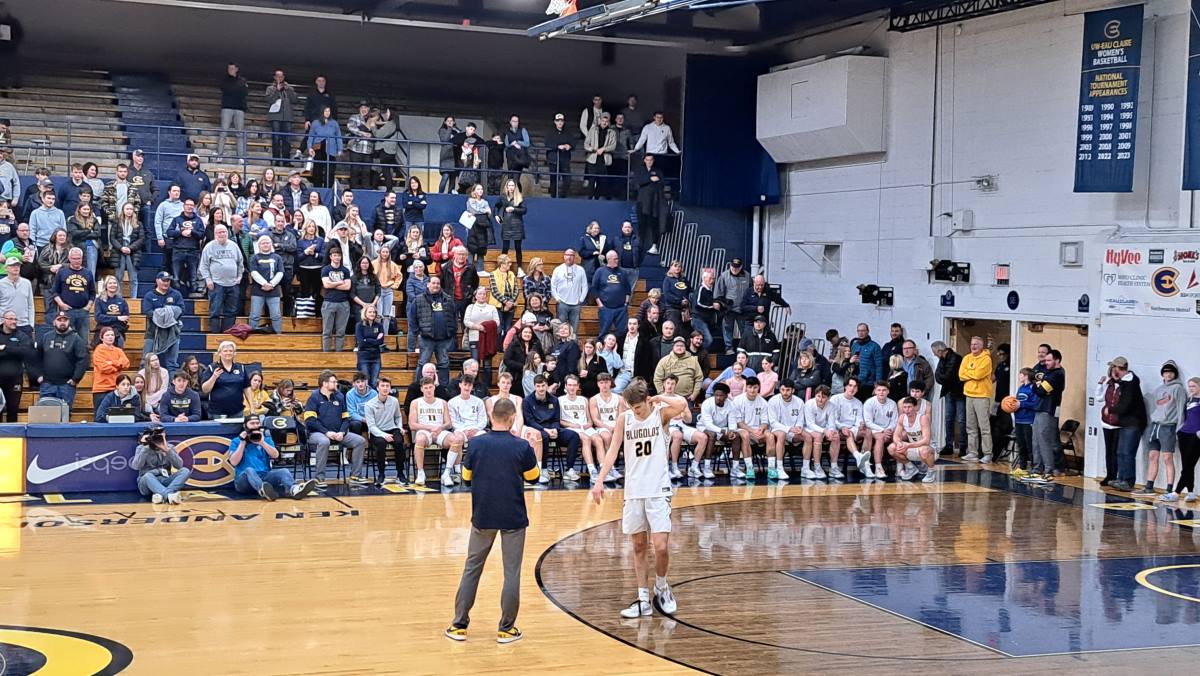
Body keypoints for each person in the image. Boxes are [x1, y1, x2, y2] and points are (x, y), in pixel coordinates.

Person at [589, 378, 687, 618]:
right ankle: (643, 598)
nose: (635, 411)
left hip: (657, 489)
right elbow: (613, 449)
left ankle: (662, 588)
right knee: (638, 545)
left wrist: (660, 398)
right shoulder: (625, 419)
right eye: (631, 407)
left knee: (661, 546)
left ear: (647, 400)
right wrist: (600, 480)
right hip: (633, 490)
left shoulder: (660, 414)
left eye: (639, 407)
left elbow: (682, 404)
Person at [444, 395, 538, 645]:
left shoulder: (475, 444)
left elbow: (465, 477)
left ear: (491, 417)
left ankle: (459, 625)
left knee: (472, 569)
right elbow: (534, 477)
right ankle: (506, 629)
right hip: (513, 517)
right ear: (512, 419)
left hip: (483, 516)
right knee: (511, 573)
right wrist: (530, 449)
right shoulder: (521, 447)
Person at [304, 369, 369, 488]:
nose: (336, 384)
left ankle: (355, 476)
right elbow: (310, 421)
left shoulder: (339, 396)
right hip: (317, 434)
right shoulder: (314, 397)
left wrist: (342, 432)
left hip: (338, 433)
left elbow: (346, 418)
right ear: (324, 384)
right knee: (324, 441)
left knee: (360, 441)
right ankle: (319, 478)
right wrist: (326, 432)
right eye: (333, 382)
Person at [229, 415, 319, 500]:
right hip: (244, 482)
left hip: (264, 477)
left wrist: (262, 443)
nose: (255, 426)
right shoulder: (236, 441)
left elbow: (275, 455)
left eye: (257, 423)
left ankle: (293, 489)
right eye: (252, 423)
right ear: (245, 426)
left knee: (284, 471)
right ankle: (262, 490)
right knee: (249, 469)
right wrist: (242, 443)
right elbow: (233, 462)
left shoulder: (266, 439)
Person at [1137, 361, 1187, 498]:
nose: (1168, 374)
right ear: (1162, 374)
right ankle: (1149, 486)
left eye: (1171, 372)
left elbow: (1181, 410)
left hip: (1168, 427)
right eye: (1165, 372)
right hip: (1155, 426)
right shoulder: (1159, 389)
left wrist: (1179, 430)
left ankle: (1169, 489)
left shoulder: (1178, 389)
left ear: (1175, 373)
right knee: (1153, 456)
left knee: (1167, 457)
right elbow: (1155, 408)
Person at [524, 374, 583, 481]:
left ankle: (569, 469)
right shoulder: (527, 401)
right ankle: (544, 469)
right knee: (544, 436)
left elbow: (556, 419)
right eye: (538, 386)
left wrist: (555, 429)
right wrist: (545, 430)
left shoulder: (554, 400)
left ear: (547, 386)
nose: (541, 388)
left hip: (553, 429)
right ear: (534, 387)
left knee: (574, 435)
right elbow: (529, 421)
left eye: (543, 385)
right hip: (538, 430)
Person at [409, 376, 464, 486]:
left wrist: (440, 428)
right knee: (419, 439)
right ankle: (420, 473)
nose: (428, 390)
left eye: (430, 387)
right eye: (426, 388)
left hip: (440, 431)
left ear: (434, 387)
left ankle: (447, 473)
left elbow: (448, 423)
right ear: (422, 389)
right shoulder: (415, 403)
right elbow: (412, 425)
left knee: (456, 440)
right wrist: (429, 428)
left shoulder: (442, 402)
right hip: (424, 430)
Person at [199, 224, 244, 334]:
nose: (222, 234)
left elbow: (240, 263)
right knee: (215, 310)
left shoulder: (234, 246)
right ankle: (215, 334)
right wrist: (208, 280)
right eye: (219, 232)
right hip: (216, 283)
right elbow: (203, 266)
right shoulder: (209, 247)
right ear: (215, 234)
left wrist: (239, 276)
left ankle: (227, 332)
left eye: (224, 232)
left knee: (232, 310)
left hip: (233, 284)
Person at [37, 310, 87, 407]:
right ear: (54, 322)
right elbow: (36, 357)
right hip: (47, 384)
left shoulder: (76, 339)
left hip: (66, 385)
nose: (62, 322)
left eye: (65, 320)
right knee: (45, 415)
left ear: (69, 322)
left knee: (65, 414)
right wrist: (38, 375)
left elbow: (83, 360)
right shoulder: (46, 337)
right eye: (59, 320)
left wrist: (75, 378)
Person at [131, 424, 190, 504]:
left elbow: (179, 465)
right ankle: (169, 495)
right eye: (155, 436)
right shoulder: (141, 448)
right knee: (148, 476)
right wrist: (146, 447)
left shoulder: (169, 447)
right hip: (146, 483)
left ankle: (163, 495)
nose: (157, 438)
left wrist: (167, 451)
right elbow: (136, 466)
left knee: (185, 471)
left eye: (160, 436)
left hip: (165, 480)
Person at [1031, 349, 1067, 481]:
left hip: (1048, 409)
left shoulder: (1056, 374)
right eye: (1045, 360)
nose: (1046, 363)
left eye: (1049, 360)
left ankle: (1049, 469)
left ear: (1057, 360)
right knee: (1036, 440)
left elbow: (1040, 391)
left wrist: (1035, 384)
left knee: (1045, 440)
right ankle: (1038, 467)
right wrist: (1038, 385)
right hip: (1040, 408)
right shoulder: (1048, 373)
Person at [415, 275, 456, 386]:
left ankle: (443, 388)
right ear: (428, 285)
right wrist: (418, 332)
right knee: (423, 363)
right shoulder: (419, 299)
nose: (436, 285)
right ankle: (418, 386)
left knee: (444, 364)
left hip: (443, 339)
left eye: (438, 283)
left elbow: (453, 316)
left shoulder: (447, 298)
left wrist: (451, 332)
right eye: (433, 283)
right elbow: (413, 318)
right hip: (427, 338)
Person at [365, 377, 407, 483]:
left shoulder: (394, 401)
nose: (385, 388)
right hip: (377, 431)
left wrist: (400, 427)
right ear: (377, 388)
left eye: (387, 386)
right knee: (381, 443)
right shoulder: (369, 404)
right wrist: (383, 435)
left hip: (392, 428)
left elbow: (398, 417)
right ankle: (381, 474)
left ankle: (400, 473)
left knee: (399, 442)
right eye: (382, 386)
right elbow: (371, 426)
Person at [959, 336, 994, 463]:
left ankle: (987, 453)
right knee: (970, 426)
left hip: (982, 396)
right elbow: (961, 375)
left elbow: (979, 375)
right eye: (972, 344)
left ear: (982, 346)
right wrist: (972, 373)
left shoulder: (986, 359)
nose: (973, 346)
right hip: (969, 395)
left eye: (976, 344)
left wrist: (970, 372)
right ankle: (972, 452)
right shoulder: (966, 358)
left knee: (984, 427)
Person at [890, 397, 938, 483]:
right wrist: (899, 443)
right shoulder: (902, 417)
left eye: (909, 407)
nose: (906, 410)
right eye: (904, 407)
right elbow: (896, 435)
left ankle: (931, 471)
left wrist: (908, 445)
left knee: (924, 450)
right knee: (892, 448)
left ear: (915, 407)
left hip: (928, 449)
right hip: (914, 447)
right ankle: (911, 468)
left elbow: (926, 441)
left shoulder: (923, 418)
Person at [931, 340, 966, 457]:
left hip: (959, 393)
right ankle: (949, 445)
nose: (934, 355)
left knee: (961, 420)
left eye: (935, 352)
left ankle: (962, 446)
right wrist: (943, 377)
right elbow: (937, 376)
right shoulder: (942, 360)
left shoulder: (956, 358)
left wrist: (943, 377)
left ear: (940, 351)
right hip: (948, 392)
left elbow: (947, 376)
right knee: (948, 419)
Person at [201, 341, 252, 420]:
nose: (228, 353)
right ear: (220, 353)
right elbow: (205, 390)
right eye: (225, 351)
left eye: (231, 351)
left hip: (237, 411)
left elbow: (246, 388)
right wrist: (214, 377)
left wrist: (252, 407)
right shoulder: (212, 367)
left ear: (234, 353)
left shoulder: (240, 367)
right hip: (217, 412)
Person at [248, 235, 284, 334]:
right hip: (258, 291)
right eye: (263, 243)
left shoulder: (277, 257)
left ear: (271, 244)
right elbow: (253, 272)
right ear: (259, 245)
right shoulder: (255, 258)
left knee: (276, 315)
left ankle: (278, 335)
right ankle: (251, 335)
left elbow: (280, 272)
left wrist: (271, 284)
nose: (265, 244)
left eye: (267, 242)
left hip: (273, 291)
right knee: (255, 315)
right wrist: (264, 283)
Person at [862, 380, 898, 479]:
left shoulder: (892, 404)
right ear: (875, 391)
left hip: (888, 430)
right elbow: (868, 422)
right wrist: (883, 430)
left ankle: (901, 466)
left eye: (884, 390)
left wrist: (889, 430)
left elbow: (894, 421)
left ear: (888, 392)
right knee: (881, 437)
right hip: (874, 429)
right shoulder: (869, 403)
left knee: (901, 435)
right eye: (879, 390)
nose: (881, 392)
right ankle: (878, 467)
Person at [714, 258, 750, 354]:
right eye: (733, 266)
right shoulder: (724, 276)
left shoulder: (747, 276)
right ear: (730, 265)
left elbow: (751, 290)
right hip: (728, 309)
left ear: (741, 267)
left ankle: (744, 349)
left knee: (745, 330)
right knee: (727, 329)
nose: (734, 269)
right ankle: (729, 348)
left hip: (742, 309)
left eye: (737, 267)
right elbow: (718, 292)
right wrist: (719, 302)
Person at [1010, 368, 1040, 478]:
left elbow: (1035, 404)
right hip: (1019, 420)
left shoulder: (1032, 388)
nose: (1019, 377)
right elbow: (1017, 402)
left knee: (1030, 445)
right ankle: (1022, 467)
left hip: (1028, 420)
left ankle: (1034, 467)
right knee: (1021, 444)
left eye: (1020, 374)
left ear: (1026, 376)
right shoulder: (1021, 388)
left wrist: (1021, 405)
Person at [1173, 377, 1200, 503]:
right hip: (1184, 434)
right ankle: (1190, 492)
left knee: (1188, 466)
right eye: (1189, 386)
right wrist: (1179, 430)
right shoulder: (1189, 400)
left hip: (1196, 436)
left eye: (1193, 386)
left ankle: (1176, 492)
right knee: (1187, 465)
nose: (1190, 388)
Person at [321, 248, 353, 352]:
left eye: (338, 255)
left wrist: (332, 284)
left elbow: (347, 287)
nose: (337, 257)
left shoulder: (345, 270)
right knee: (327, 331)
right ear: (331, 257)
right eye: (334, 255)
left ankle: (339, 354)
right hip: (329, 302)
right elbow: (326, 284)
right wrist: (339, 282)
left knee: (341, 332)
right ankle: (326, 353)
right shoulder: (326, 269)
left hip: (343, 303)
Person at [633, 154, 666, 254]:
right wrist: (650, 179)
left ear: (653, 160)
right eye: (647, 160)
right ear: (644, 160)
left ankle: (654, 245)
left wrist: (655, 180)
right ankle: (640, 244)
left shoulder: (658, 171)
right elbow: (637, 183)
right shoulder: (639, 171)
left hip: (655, 202)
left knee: (654, 224)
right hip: (642, 202)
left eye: (651, 160)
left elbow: (662, 183)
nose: (649, 161)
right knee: (641, 224)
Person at [265, 69, 299, 163]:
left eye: (281, 76)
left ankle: (286, 161)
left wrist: (288, 90)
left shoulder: (289, 88)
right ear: (275, 77)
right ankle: (276, 160)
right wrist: (277, 90)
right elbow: (269, 100)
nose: (279, 78)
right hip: (275, 116)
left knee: (287, 139)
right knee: (276, 138)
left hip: (287, 117)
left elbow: (295, 100)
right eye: (277, 76)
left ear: (283, 77)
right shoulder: (270, 88)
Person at [90, 325, 129, 407]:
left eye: (112, 335)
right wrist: (118, 365)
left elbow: (126, 364)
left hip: (116, 388)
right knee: (100, 416)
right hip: (101, 389)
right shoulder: (98, 351)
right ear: (102, 338)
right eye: (107, 335)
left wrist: (111, 362)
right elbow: (104, 368)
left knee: (115, 415)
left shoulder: (118, 350)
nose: (110, 337)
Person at [551, 249, 587, 334]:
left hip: (576, 304)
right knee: (561, 329)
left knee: (574, 330)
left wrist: (581, 299)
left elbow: (585, 286)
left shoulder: (580, 270)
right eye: (567, 255)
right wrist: (557, 298)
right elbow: (553, 286)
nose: (569, 257)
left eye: (571, 255)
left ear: (574, 257)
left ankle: (573, 345)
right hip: (562, 303)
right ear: (564, 256)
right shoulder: (558, 269)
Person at [218, 63, 248, 161]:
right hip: (227, 107)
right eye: (229, 68)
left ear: (236, 69)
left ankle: (241, 157)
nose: (230, 70)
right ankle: (220, 155)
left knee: (239, 133)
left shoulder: (242, 80)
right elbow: (226, 89)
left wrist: (235, 89)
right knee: (223, 132)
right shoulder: (224, 80)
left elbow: (244, 92)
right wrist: (236, 89)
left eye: (232, 68)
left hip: (239, 108)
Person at [495, 179, 526, 270]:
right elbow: (497, 206)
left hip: (517, 225)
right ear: (506, 187)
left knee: (518, 247)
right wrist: (497, 215)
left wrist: (514, 209)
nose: (511, 188)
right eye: (510, 186)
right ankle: (501, 267)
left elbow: (524, 210)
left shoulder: (519, 197)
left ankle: (519, 268)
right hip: (506, 225)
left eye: (513, 186)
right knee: (505, 247)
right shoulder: (502, 197)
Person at [547, 113, 574, 198]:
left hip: (565, 159)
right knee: (554, 180)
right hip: (553, 160)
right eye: (558, 121)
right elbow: (547, 143)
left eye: (561, 121)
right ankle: (553, 197)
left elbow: (573, 143)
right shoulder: (550, 132)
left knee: (567, 180)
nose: (560, 122)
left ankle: (562, 197)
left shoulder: (568, 132)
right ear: (555, 122)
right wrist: (558, 146)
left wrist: (569, 146)